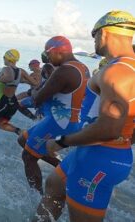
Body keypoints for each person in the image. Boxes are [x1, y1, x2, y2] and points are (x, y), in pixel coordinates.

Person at [34, 11, 135, 222]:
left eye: (94, 35)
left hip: (98, 157)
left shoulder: (118, 72)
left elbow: (109, 128)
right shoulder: (127, 67)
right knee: (54, 184)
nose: (94, 41)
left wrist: (62, 141)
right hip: (98, 152)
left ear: (105, 33)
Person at [17, 36, 90, 194]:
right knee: (23, 139)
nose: (47, 58)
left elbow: (37, 99)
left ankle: (36, 197)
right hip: (70, 120)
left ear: (59, 51)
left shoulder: (64, 71)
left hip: (60, 123)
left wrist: (34, 91)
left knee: (28, 157)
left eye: (48, 53)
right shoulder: (83, 67)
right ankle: (61, 167)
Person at [0, 49, 38, 142]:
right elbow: (35, 83)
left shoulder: (6, 69)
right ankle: (20, 132)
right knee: (1, 124)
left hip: (2, 102)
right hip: (13, 102)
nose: (3, 59)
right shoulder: (21, 71)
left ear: (8, 58)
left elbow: (9, 78)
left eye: (4, 57)